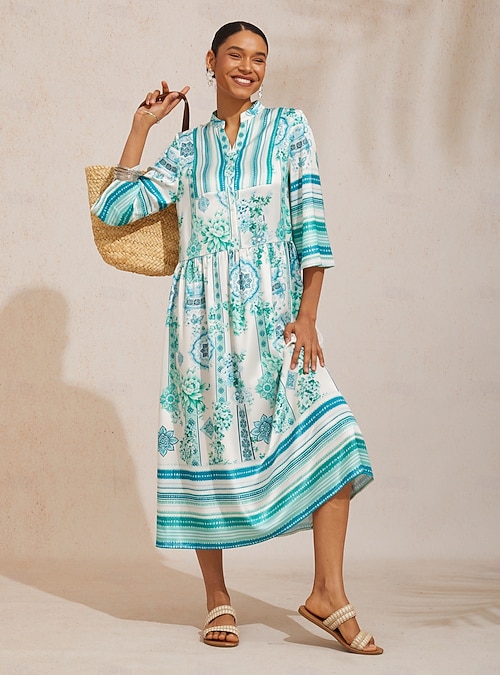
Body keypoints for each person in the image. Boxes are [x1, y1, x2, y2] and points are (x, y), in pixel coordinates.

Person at [92, 21, 382, 655]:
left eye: (258, 58)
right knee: (206, 451)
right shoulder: (186, 150)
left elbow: (310, 221)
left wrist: (308, 315)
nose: (248, 67)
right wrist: (142, 126)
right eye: (235, 55)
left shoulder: (288, 129)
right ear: (211, 61)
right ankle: (216, 597)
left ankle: (326, 592)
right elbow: (113, 210)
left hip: (274, 318)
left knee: (337, 437)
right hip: (199, 326)